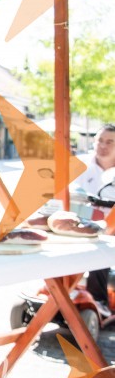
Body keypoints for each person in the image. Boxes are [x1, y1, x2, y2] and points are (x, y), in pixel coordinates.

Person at [70, 124, 115, 317]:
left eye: (109, 142)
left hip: (111, 225)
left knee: (103, 248)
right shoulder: (82, 166)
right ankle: (65, 292)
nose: (102, 145)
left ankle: (99, 300)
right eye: (99, 140)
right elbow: (70, 197)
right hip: (86, 221)